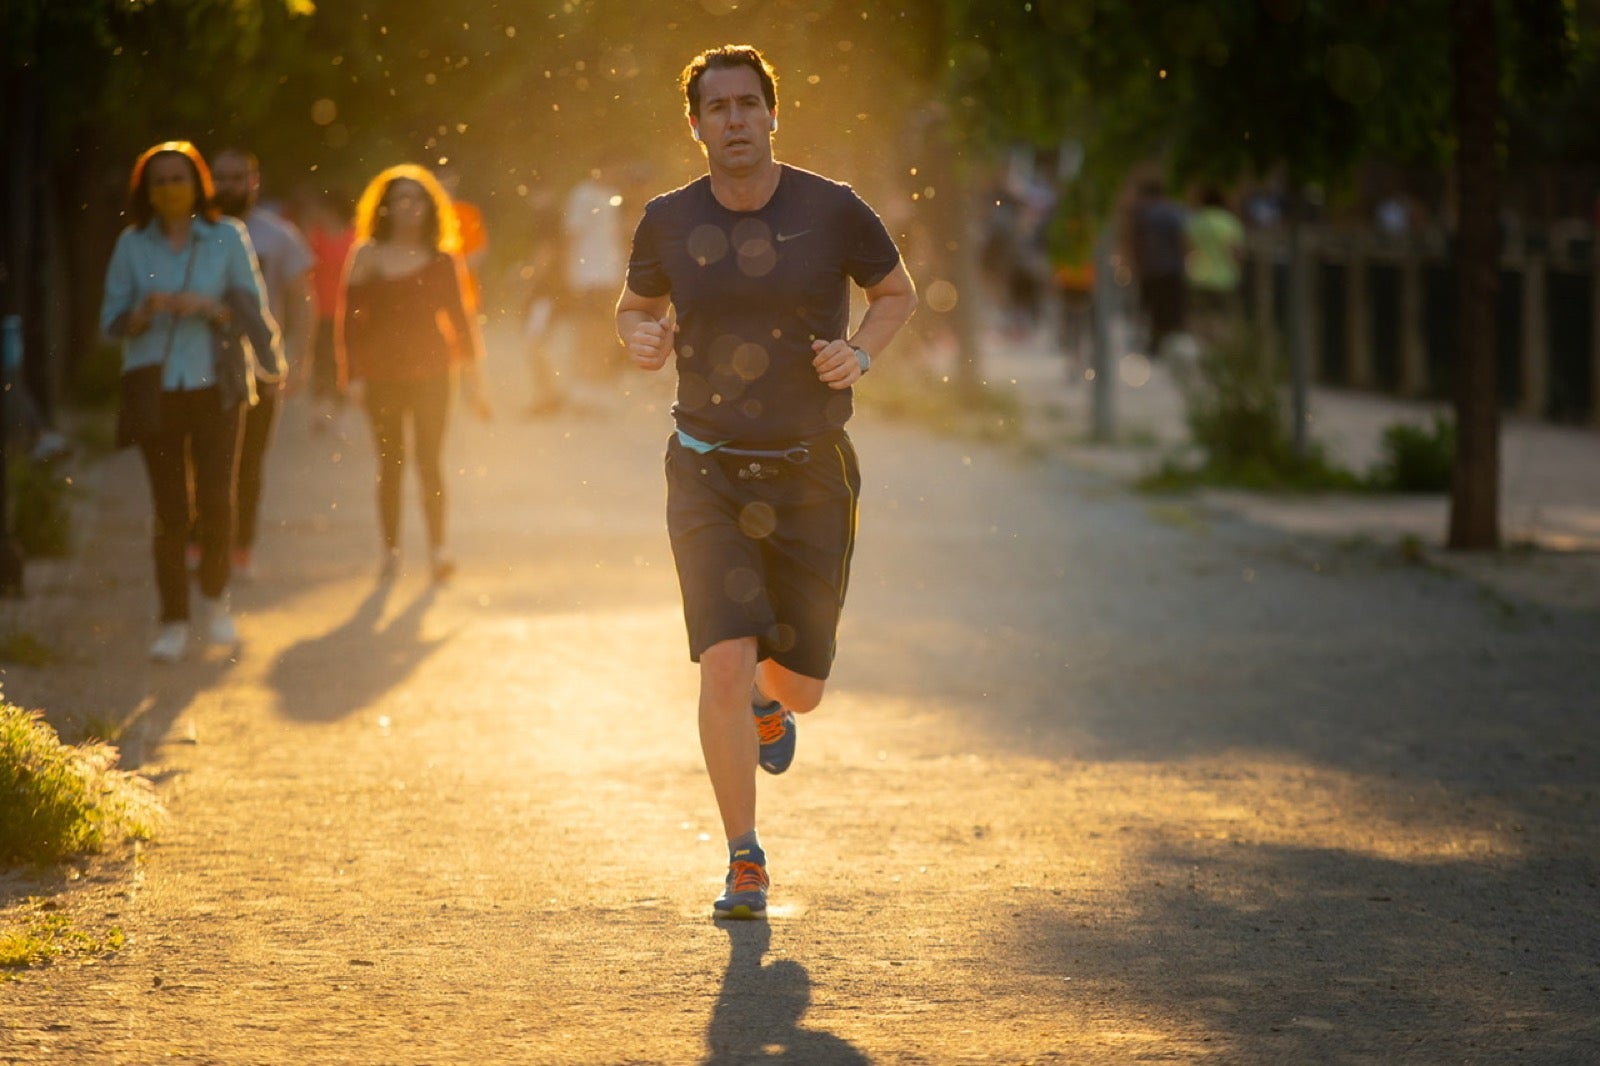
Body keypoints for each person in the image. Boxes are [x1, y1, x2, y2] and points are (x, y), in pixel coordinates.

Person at [616, 45, 917, 920]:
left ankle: (766, 704)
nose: (736, 120)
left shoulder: (832, 210)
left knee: (802, 689)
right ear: (697, 125)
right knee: (722, 659)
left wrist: (859, 351)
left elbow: (897, 292)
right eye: (719, 108)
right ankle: (743, 857)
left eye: (750, 104)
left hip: (811, 471)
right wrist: (639, 335)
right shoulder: (667, 220)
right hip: (705, 467)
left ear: (774, 113)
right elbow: (636, 307)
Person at [99, 141, 277, 662]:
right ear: (146, 191)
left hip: (218, 386)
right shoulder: (132, 245)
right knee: (170, 509)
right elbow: (110, 320)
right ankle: (173, 619)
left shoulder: (226, 237)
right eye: (159, 181)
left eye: (179, 178)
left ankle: (217, 601)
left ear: (197, 183)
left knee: (218, 499)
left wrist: (211, 309)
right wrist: (142, 313)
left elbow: (251, 308)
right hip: (155, 385)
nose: (170, 189)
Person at [336, 164, 491, 584]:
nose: (410, 208)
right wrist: (351, 375)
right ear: (385, 207)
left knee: (430, 461)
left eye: (418, 199)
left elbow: (461, 322)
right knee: (391, 462)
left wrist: (475, 384)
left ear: (431, 206)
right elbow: (349, 321)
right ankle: (391, 551)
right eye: (401, 199)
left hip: (434, 372)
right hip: (382, 372)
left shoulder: (443, 259)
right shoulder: (367, 254)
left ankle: (439, 550)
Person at [211, 148, 315, 580]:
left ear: (255, 182)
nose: (230, 186)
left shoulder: (280, 236)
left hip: (261, 368)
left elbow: (304, 299)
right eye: (222, 178)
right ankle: (202, 543)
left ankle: (241, 550)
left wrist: (300, 357)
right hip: (205, 366)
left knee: (249, 463)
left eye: (239, 178)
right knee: (206, 460)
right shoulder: (196, 235)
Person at [299, 186, 357, 435]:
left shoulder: (354, 237)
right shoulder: (315, 237)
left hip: (346, 312)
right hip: (318, 310)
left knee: (341, 362)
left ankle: (340, 410)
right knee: (320, 361)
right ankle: (320, 410)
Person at [566, 161, 628, 382]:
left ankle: (602, 369)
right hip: (587, 272)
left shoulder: (613, 195)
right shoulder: (582, 195)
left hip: (610, 272)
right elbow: (573, 233)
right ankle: (584, 368)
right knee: (586, 323)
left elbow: (617, 234)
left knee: (607, 321)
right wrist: (571, 269)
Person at [1127, 175, 1188, 358]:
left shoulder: (1141, 212)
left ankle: (1154, 345)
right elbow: (1181, 238)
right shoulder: (1173, 211)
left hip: (1149, 267)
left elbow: (1134, 240)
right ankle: (1167, 346)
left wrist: (1135, 262)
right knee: (1169, 309)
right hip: (1171, 267)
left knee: (1151, 308)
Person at [1183, 186, 1246, 343]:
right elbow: (1236, 252)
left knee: (1200, 317)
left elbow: (1186, 248)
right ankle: (1220, 352)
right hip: (1225, 279)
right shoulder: (1229, 222)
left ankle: (1203, 349)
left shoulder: (1195, 221)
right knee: (1223, 319)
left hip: (1198, 277)